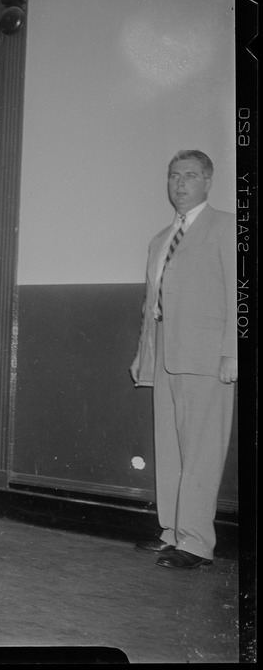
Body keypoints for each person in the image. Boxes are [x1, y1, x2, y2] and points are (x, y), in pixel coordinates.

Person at [130, 150, 236, 570]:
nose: (180, 183)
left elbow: (241, 295)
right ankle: (172, 531)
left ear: (208, 181)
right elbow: (149, 305)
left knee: (202, 452)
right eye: (174, 176)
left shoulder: (227, 227)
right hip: (165, 357)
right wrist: (144, 355)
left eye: (190, 175)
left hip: (208, 358)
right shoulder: (159, 239)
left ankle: (195, 543)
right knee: (170, 449)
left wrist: (233, 352)